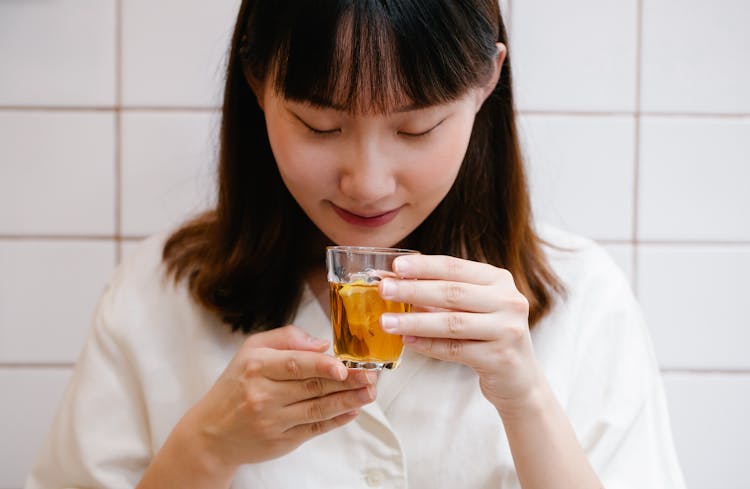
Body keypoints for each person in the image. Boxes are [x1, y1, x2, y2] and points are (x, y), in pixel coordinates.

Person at [26, 1, 686, 488]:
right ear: (257, 83)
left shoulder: (584, 301)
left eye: (416, 128)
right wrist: (204, 447)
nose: (366, 184)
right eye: (321, 124)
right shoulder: (155, 296)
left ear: (486, 82)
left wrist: (528, 399)